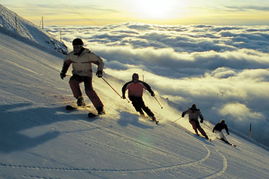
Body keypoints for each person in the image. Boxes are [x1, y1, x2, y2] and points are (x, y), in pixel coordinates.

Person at [60, 38, 105, 115]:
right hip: (77, 74)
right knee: (72, 82)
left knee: (89, 90)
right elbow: (66, 63)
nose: (76, 49)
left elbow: (100, 61)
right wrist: (63, 72)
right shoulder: (71, 55)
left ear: (81, 46)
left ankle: (100, 108)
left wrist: (99, 70)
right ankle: (80, 99)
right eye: (74, 47)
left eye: (77, 47)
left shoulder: (88, 55)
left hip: (87, 75)